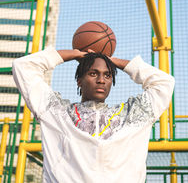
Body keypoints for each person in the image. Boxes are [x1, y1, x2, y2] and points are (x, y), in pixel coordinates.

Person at [12, 46, 175, 183]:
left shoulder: (132, 117)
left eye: (107, 75)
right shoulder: (57, 113)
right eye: (93, 73)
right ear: (79, 81)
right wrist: (75, 54)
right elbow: (23, 67)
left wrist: (113, 61)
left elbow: (164, 82)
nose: (101, 80)